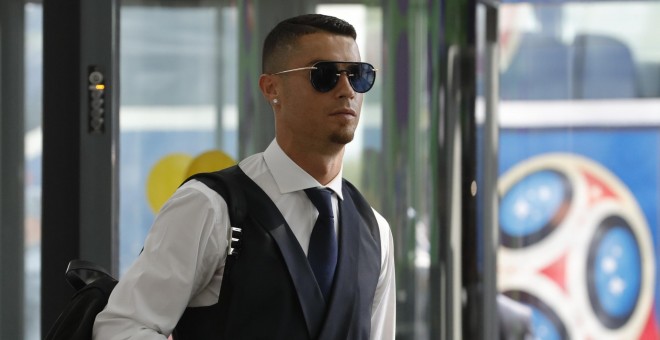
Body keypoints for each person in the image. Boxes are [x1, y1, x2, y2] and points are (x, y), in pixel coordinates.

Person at [93, 13, 396, 339]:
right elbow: (121, 327)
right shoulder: (210, 206)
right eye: (324, 75)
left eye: (358, 75)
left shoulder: (375, 231)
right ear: (271, 88)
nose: (347, 90)